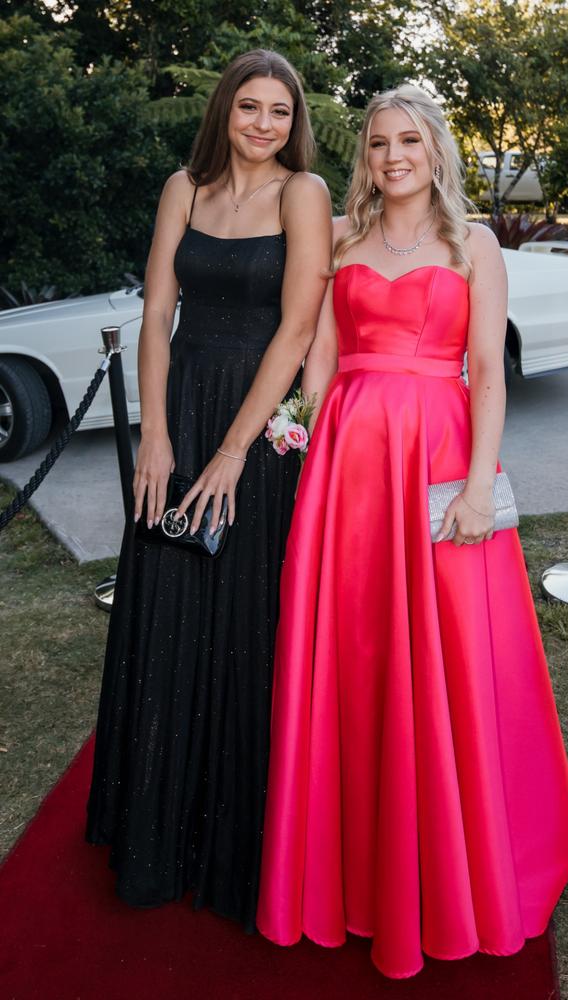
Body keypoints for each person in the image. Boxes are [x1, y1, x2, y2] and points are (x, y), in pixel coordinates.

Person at [256, 85, 568, 978]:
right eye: (376, 144)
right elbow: (322, 354)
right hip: (350, 471)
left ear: (434, 149)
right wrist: (307, 432)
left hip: (438, 464)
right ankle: (347, 869)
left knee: (449, 656)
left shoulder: (473, 243)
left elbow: (485, 369)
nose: (392, 155)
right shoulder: (346, 244)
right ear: (363, 157)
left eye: (408, 140)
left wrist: (480, 487)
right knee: (354, 657)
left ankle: (454, 858)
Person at [86, 49, 331, 933]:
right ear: (225, 110)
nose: (263, 124)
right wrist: (155, 434)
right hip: (179, 407)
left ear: (293, 121)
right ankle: (152, 828)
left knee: (239, 617)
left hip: (255, 423)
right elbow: (158, 310)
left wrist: (234, 451)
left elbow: (300, 325)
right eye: (249, 108)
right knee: (168, 601)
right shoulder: (182, 187)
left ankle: (234, 841)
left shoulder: (304, 194)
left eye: (278, 111)